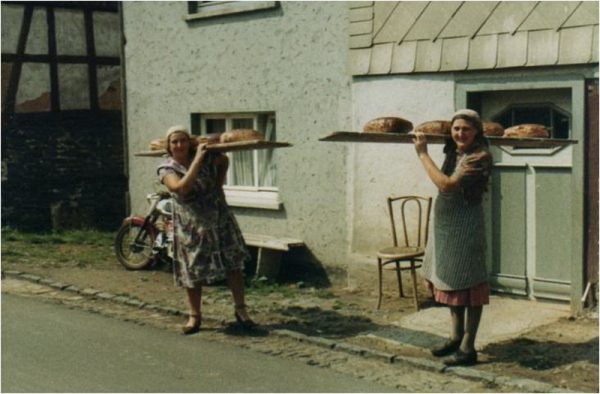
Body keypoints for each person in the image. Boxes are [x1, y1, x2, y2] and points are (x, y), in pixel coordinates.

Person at [157, 125, 255, 335]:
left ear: (189, 142)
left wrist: (218, 186)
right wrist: (198, 161)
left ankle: (241, 310)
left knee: (233, 263)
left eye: (183, 140)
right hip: (191, 225)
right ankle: (194, 316)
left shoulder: (204, 156)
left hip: (219, 217)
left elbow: (223, 160)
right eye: (174, 142)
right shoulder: (167, 168)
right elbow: (180, 189)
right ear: (169, 146)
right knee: (192, 270)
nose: (179, 145)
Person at [413, 109, 492, 366]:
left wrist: (423, 154)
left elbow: (446, 185)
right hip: (446, 228)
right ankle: (456, 336)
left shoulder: (479, 156)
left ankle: (468, 348)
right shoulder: (455, 152)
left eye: (466, 129)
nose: (460, 133)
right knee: (451, 281)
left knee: (470, 286)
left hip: (466, 229)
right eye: (456, 128)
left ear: (477, 132)